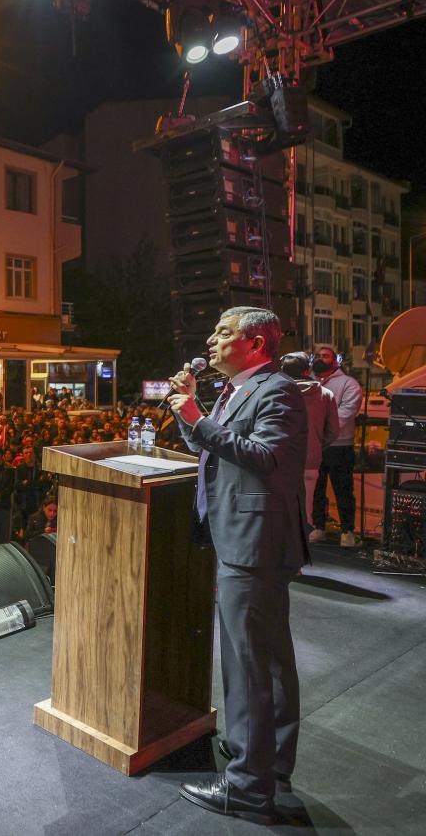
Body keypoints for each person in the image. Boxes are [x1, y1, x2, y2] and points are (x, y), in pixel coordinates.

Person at [168, 306, 307, 823]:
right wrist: (190, 413)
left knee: (248, 666)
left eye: (223, 332)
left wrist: (196, 417)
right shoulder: (239, 389)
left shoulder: (277, 390)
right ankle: (271, 761)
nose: (211, 340)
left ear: (256, 344)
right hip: (246, 538)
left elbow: (263, 456)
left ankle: (248, 787)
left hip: (254, 542)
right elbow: (215, 450)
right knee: (267, 661)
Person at [309, 345, 364, 547]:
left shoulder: (349, 383)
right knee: (316, 490)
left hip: (339, 446)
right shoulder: (310, 383)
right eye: (317, 355)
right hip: (315, 445)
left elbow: (346, 412)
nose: (320, 358)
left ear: (335, 361)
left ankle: (347, 532)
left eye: (325, 356)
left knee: (343, 490)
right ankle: (318, 527)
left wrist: (319, 428)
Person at [280, 352, 339, 539]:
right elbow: (333, 431)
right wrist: (316, 445)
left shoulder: (276, 393)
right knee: (305, 512)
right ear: (307, 370)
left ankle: (282, 552)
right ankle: (300, 551)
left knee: (281, 511)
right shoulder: (326, 394)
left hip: (281, 459)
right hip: (311, 460)